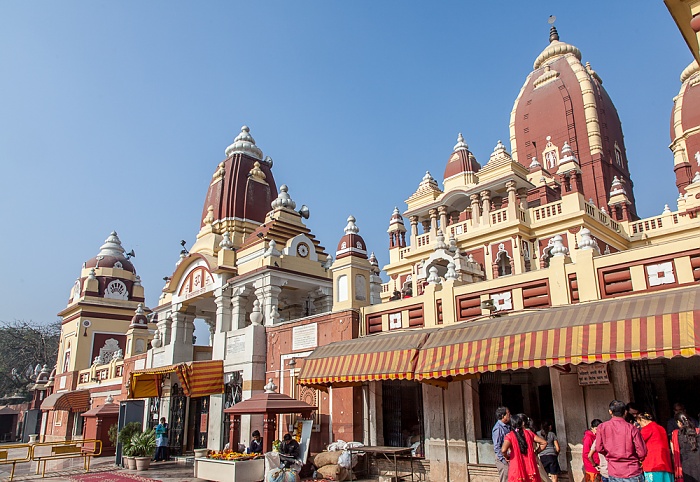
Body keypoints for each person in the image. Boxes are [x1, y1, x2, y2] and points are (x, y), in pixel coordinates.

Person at [596, 400, 647, 482]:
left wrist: (610, 455)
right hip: (632, 470)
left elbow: (599, 448)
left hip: (614, 470)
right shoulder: (632, 428)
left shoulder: (602, 427)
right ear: (625, 412)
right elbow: (642, 452)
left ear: (610, 411)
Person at [501, 413, 547, 482]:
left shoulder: (510, 436)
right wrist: (536, 452)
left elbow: (503, 450)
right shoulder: (529, 433)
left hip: (516, 468)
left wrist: (507, 456)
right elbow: (544, 443)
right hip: (530, 467)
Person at [636, 412, 672, 482]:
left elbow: (638, 442)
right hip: (665, 463)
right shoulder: (661, 428)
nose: (641, 426)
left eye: (640, 424)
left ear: (643, 420)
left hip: (653, 464)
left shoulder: (647, 429)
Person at [671, 413, 700, 482]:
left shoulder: (675, 434)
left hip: (686, 465)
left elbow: (673, 452)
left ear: (679, 422)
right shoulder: (698, 431)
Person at [492, 406, 512, 482]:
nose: (509, 415)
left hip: (508, 457)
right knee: (505, 478)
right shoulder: (498, 428)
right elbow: (497, 446)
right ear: (503, 416)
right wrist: (503, 460)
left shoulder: (507, 426)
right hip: (503, 458)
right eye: (508, 413)